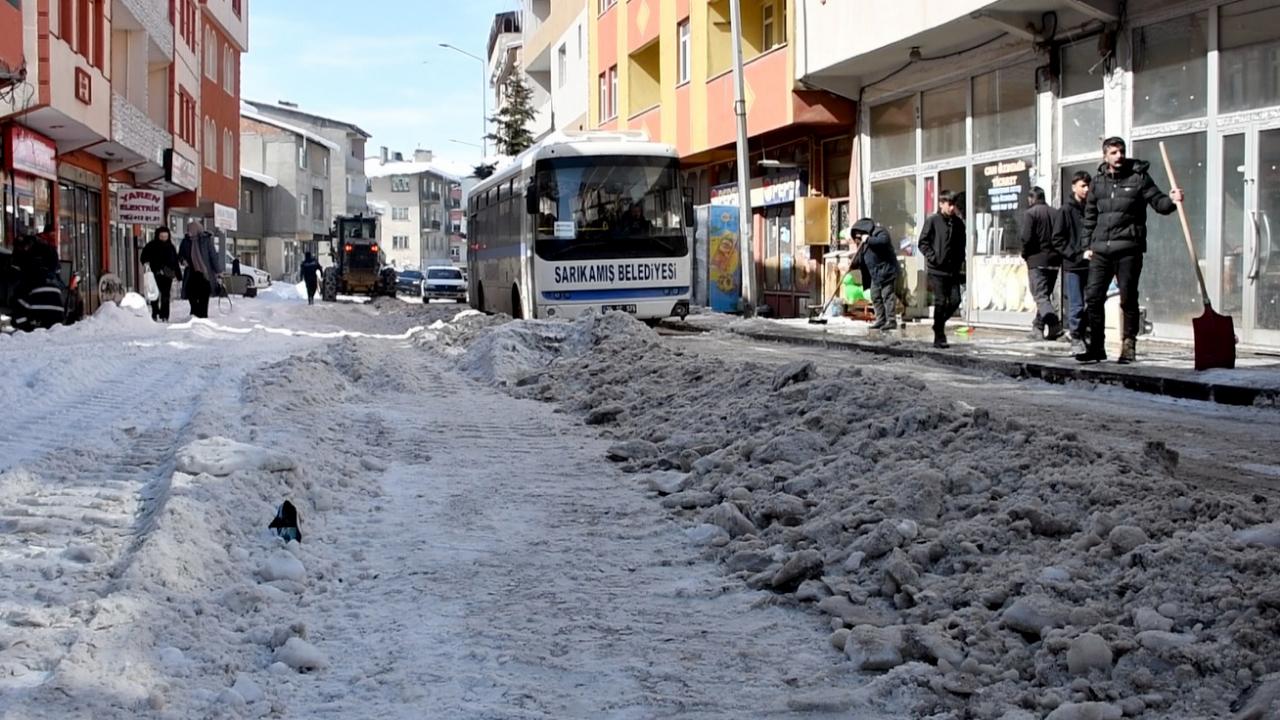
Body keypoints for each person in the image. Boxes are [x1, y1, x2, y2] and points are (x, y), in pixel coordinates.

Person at [1078, 137, 1184, 364]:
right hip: (1101, 250)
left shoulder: (1138, 178)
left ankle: (1128, 346)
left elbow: (1158, 202)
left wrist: (1172, 201)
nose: (1119, 156)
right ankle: (1096, 347)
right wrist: (1086, 245)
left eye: (1121, 151)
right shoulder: (1097, 183)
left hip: (1128, 249)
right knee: (1094, 298)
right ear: (1105, 156)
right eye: (1114, 152)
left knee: (1128, 299)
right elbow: (1090, 217)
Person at [917, 190, 967, 348]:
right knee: (940, 301)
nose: (952, 208)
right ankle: (939, 335)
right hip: (937, 269)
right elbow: (922, 243)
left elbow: (961, 246)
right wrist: (934, 258)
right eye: (949, 204)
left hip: (953, 270)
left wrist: (960, 263)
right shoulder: (933, 221)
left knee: (955, 300)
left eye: (954, 205)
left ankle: (938, 324)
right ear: (941, 204)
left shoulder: (958, 223)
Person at [1054, 171, 1092, 354]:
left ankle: (1086, 335)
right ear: (1074, 187)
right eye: (1083, 185)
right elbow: (1057, 240)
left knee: (1091, 302)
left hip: (1091, 263)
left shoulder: (1091, 209)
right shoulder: (1066, 210)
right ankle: (1076, 336)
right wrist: (1076, 255)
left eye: (1088, 185)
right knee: (1076, 303)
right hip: (1074, 265)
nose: (1086, 189)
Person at [1020, 186, 1064, 341]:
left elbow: (1026, 238)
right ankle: (1038, 327)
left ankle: (1054, 326)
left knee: (1040, 296)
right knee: (1045, 295)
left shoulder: (1030, 214)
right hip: (1054, 260)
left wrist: (1025, 254)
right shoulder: (1056, 213)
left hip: (1036, 259)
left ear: (1032, 199)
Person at [850, 217, 899, 331]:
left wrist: (868, 239)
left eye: (859, 235)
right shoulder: (862, 243)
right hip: (875, 274)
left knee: (887, 296)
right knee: (875, 296)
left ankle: (891, 321)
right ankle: (880, 319)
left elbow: (883, 242)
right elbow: (861, 257)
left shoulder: (879, 232)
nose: (857, 238)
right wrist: (852, 264)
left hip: (886, 270)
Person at [178, 221, 223, 319]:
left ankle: (202, 315)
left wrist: (218, 271)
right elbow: (180, 255)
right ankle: (194, 312)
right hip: (191, 272)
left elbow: (213, 256)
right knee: (190, 292)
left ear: (196, 230)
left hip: (205, 273)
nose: (188, 232)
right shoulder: (186, 241)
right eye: (188, 229)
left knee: (204, 294)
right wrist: (183, 260)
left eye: (190, 229)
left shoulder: (206, 240)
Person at [139, 227, 180, 322]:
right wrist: (147, 264)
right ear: (158, 236)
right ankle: (155, 312)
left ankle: (165, 315)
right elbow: (143, 257)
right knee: (154, 294)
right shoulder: (151, 246)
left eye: (165, 236)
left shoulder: (171, 247)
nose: (164, 238)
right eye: (161, 236)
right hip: (155, 274)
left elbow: (175, 262)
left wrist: (178, 275)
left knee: (166, 295)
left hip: (167, 275)